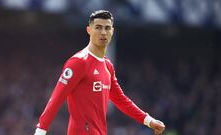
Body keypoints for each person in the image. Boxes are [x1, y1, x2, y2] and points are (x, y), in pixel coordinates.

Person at [34, 10, 165, 135]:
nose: (103, 32)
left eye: (107, 28)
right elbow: (56, 99)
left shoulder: (107, 65)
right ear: (89, 30)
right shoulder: (78, 62)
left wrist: (149, 121)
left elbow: (120, 100)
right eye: (98, 27)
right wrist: (40, 131)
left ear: (112, 31)